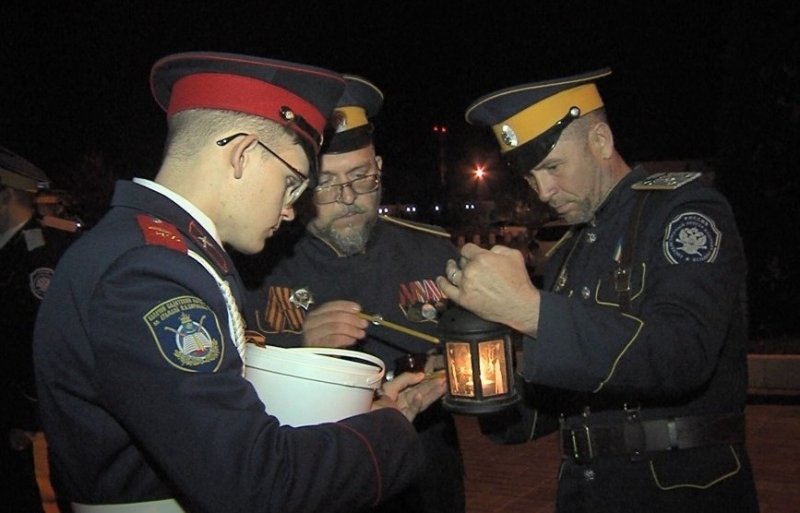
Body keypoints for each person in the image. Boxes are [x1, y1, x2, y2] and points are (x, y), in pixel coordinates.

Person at [33, 51, 445, 513]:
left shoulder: (159, 252)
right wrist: (390, 431)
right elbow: (253, 483)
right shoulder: (149, 272)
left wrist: (364, 418)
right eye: (292, 183)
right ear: (244, 154)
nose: (291, 209)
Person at [437, 68, 759, 512]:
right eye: (531, 177)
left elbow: (684, 351)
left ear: (601, 142)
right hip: (587, 491)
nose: (543, 191)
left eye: (553, 167)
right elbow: (557, 399)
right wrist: (485, 378)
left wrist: (531, 311)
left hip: (679, 492)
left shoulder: (684, 210)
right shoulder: (570, 248)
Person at [238, 74, 465, 513]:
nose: (347, 197)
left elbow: (484, 356)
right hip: (316, 482)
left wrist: (451, 369)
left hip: (424, 476)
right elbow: (233, 394)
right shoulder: (259, 264)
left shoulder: (431, 251)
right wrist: (304, 354)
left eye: (361, 177)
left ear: (379, 167)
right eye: (327, 183)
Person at [1, 146, 79, 513]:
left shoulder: (40, 253)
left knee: (34, 495)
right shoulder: (11, 248)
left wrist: (24, 417)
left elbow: (40, 341)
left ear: (6, 195)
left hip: (28, 417)